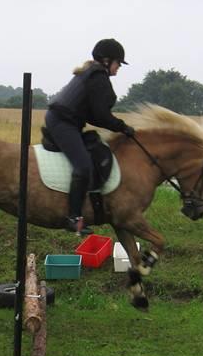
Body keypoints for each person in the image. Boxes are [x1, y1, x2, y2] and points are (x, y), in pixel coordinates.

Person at [45, 38, 135, 236]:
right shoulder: (98, 77)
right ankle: (73, 218)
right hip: (62, 122)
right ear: (106, 60)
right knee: (83, 166)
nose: (119, 67)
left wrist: (120, 126)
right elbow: (101, 116)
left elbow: (95, 115)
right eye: (118, 62)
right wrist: (122, 127)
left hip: (67, 121)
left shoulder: (93, 74)